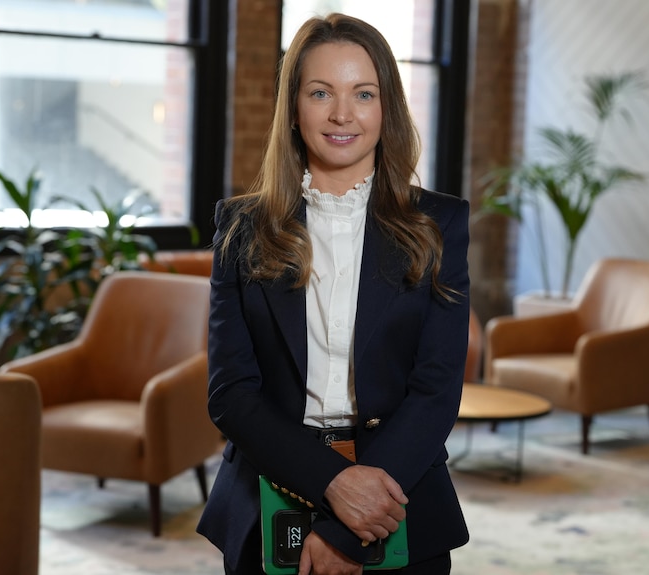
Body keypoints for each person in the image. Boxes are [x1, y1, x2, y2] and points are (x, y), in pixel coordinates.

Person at [197, 13, 470, 575]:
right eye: (321, 92)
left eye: (363, 94)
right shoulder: (242, 226)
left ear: (386, 108)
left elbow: (436, 390)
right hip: (272, 483)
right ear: (294, 108)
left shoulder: (438, 224)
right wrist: (332, 486)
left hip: (401, 491)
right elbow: (231, 394)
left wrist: (351, 525)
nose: (342, 114)